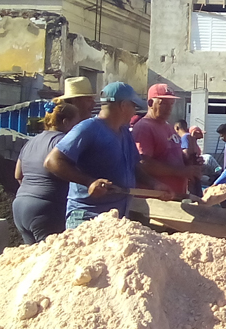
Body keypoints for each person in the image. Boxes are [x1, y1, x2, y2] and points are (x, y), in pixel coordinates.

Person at [44, 82, 171, 228]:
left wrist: (155, 184)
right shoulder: (88, 128)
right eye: (133, 106)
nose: (134, 112)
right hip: (87, 218)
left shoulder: (124, 132)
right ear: (123, 105)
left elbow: (134, 166)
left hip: (117, 218)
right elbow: (52, 161)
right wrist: (89, 182)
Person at [13, 103, 79, 243]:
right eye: (76, 123)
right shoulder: (63, 142)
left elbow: (18, 175)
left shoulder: (31, 142)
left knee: (32, 258)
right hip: (46, 209)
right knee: (50, 259)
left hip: (20, 206)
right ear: (66, 122)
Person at [132, 84, 201, 197]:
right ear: (150, 103)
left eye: (171, 104)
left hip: (174, 197)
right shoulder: (144, 127)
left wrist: (188, 161)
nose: (169, 108)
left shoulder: (167, 126)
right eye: (163, 103)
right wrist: (180, 171)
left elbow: (171, 155)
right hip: (156, 198)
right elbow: (142, 163)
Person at [181, 126, 205, 196]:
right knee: (192, 194)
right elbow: (187, 155)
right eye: (199, 133)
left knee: (197, 194)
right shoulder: (187, 137)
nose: (202, 136)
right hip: (191, 171)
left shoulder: (193, 141)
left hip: (195, 171)